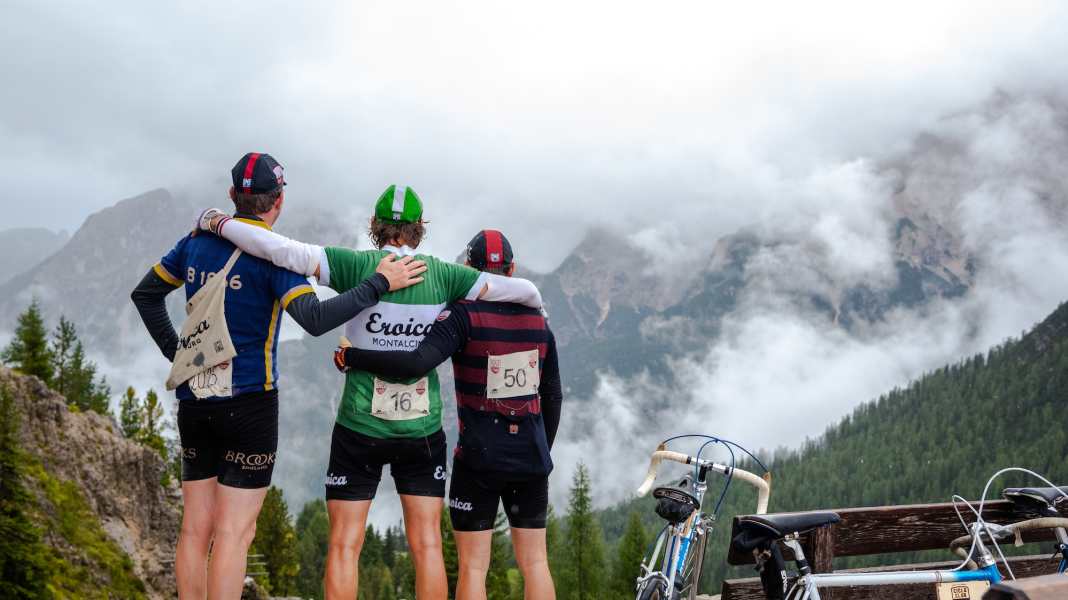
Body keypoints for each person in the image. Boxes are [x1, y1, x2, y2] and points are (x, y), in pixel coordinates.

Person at [194, 187, 543, 599]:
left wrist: (219, 223)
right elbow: (521, 291)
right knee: (427, 544)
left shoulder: (356, 265)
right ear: (418, 228)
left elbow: (279, 250)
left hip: (359, 426)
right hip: (422, 428)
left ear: (376, 226)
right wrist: (540, 308)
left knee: (345, 543)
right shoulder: (445, 275)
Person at [130, 153, 426, 600]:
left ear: (233, 195)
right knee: (234, 533)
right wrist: (378, 284)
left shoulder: (194, 243)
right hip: (251, 403)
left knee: (194, 529)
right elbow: (315, 318)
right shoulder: (274, 256)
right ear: (279, 200)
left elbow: (146, 295)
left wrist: (178, 354)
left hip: (194, 398)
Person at [334, 229, 562, 600]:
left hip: (479, 458)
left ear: (469, 269)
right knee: (535, 563)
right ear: (512, 269)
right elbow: (553, 395)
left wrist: (352, 356)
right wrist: (541, 450)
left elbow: (415, 363)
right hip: (531, 457)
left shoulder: (463, 315)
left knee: (473, 568)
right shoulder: (539, 322)